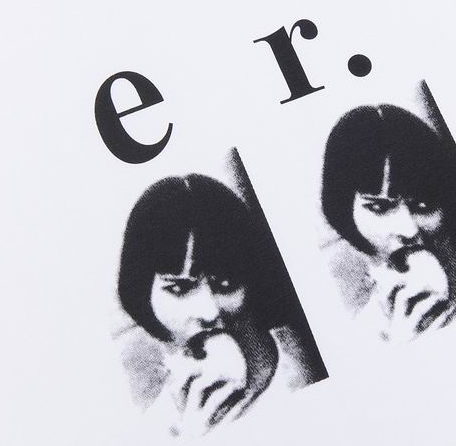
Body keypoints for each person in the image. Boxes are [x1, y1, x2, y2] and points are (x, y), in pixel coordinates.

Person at [115, 174, 323, 437]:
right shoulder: (159, 428)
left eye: (226, 283)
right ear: (143, 295)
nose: (209, 311)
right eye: (179, 288)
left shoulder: (311, 360)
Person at [321, 103, 456, 343]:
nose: (409, 230)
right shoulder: (362, 335)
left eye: (423, 205)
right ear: (344, 210)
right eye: (380, 208)